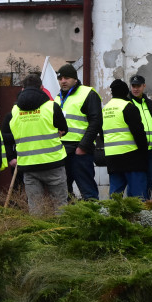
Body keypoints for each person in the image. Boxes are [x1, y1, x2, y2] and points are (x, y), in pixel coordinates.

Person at [6, 73, 69, 214]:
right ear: (41, 88)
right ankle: (63, 228)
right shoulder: (51, 106)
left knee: (36, 208)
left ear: (22, 89)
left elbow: (11, 134)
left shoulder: (15, 110)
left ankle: (37, 229)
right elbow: (64, 129)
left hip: (28, 165)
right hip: (53, 162)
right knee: (60, 205)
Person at [56, 63, 102, 200]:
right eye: (60, 78)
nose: (63, 81)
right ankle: (69, 212)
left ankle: (92, 212)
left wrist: (83, 146)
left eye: (67, 78)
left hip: (80, 149)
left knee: (87, 190)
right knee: (63, 191)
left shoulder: (88, 94)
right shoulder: (58, 97)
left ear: (75, 79)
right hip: (61, 149)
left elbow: (96, 122)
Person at [102, 79, 148, 197]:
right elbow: (138, 132)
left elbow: (102, 134)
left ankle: (115, 210)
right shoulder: (128, 107)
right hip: (131, 156)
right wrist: (144, 151)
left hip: (112, 157)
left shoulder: (105, 109)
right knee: (138, 195)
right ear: (125, 92)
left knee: (115, 195)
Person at [128, 75, 152, 198]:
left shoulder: (149, 103)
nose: (135, 89)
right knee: (137, 181)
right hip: (135, 149)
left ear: (144, 86)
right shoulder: (128, 103)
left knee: (150, 178)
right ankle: (135, 204)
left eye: (138, 86)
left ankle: (146, 204)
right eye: (133, 86)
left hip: (150, 149)